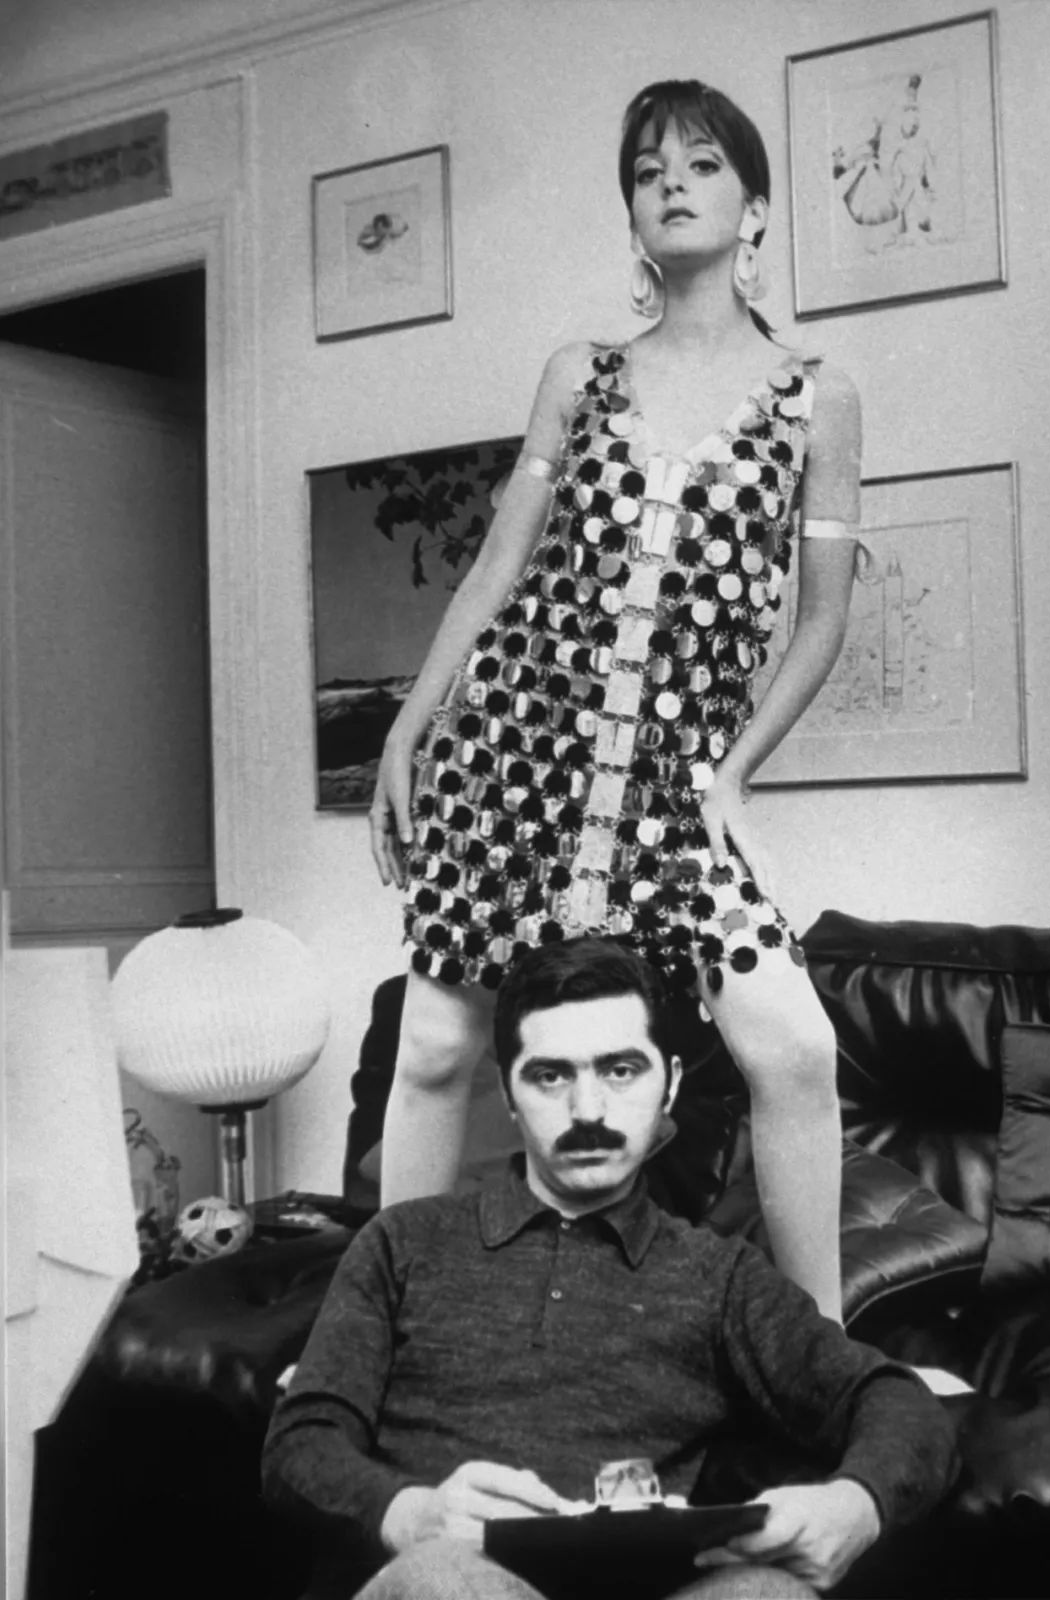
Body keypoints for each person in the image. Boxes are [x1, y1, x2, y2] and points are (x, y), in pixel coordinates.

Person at [369, 78, 864, 1323]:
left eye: (701, 164)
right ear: (632, 215)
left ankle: (825, 1359)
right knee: (433, 1049)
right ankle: (371, 1333)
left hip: (676, 788)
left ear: (756, 206)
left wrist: (733, 774)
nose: (672, 184)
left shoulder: (816, 399)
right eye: (648, 171)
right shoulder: (579, 374)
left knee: (796, 1049)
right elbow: (499, 564)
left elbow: (820, 622)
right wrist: (410, 726)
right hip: (514, 754)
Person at [262, 937, 958, 1600]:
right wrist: (410, 1513)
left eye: (620, 1070)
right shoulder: (403, 1243)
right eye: (550, 1076)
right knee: (448, 1583)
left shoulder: (718, 1276)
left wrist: (853, 1506)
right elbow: (299, 1443)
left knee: (768, 1592)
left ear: (670, 1085)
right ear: (508, 1094)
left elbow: (894, 1402)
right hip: (436, 1580)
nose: (587, 1110)